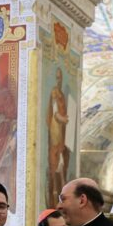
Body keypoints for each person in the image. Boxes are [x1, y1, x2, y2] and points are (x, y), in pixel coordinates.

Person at [46, 68, 70, 206]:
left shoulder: (61, 94)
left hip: (61, 129)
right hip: (56, 128)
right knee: (56, 158)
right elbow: (55, 112)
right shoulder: (55, 92)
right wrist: (63, 119)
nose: (59, 80)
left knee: (62, 160)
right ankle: (55, 197)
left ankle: (62, 198)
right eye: (57, 77)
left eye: (60, 77)